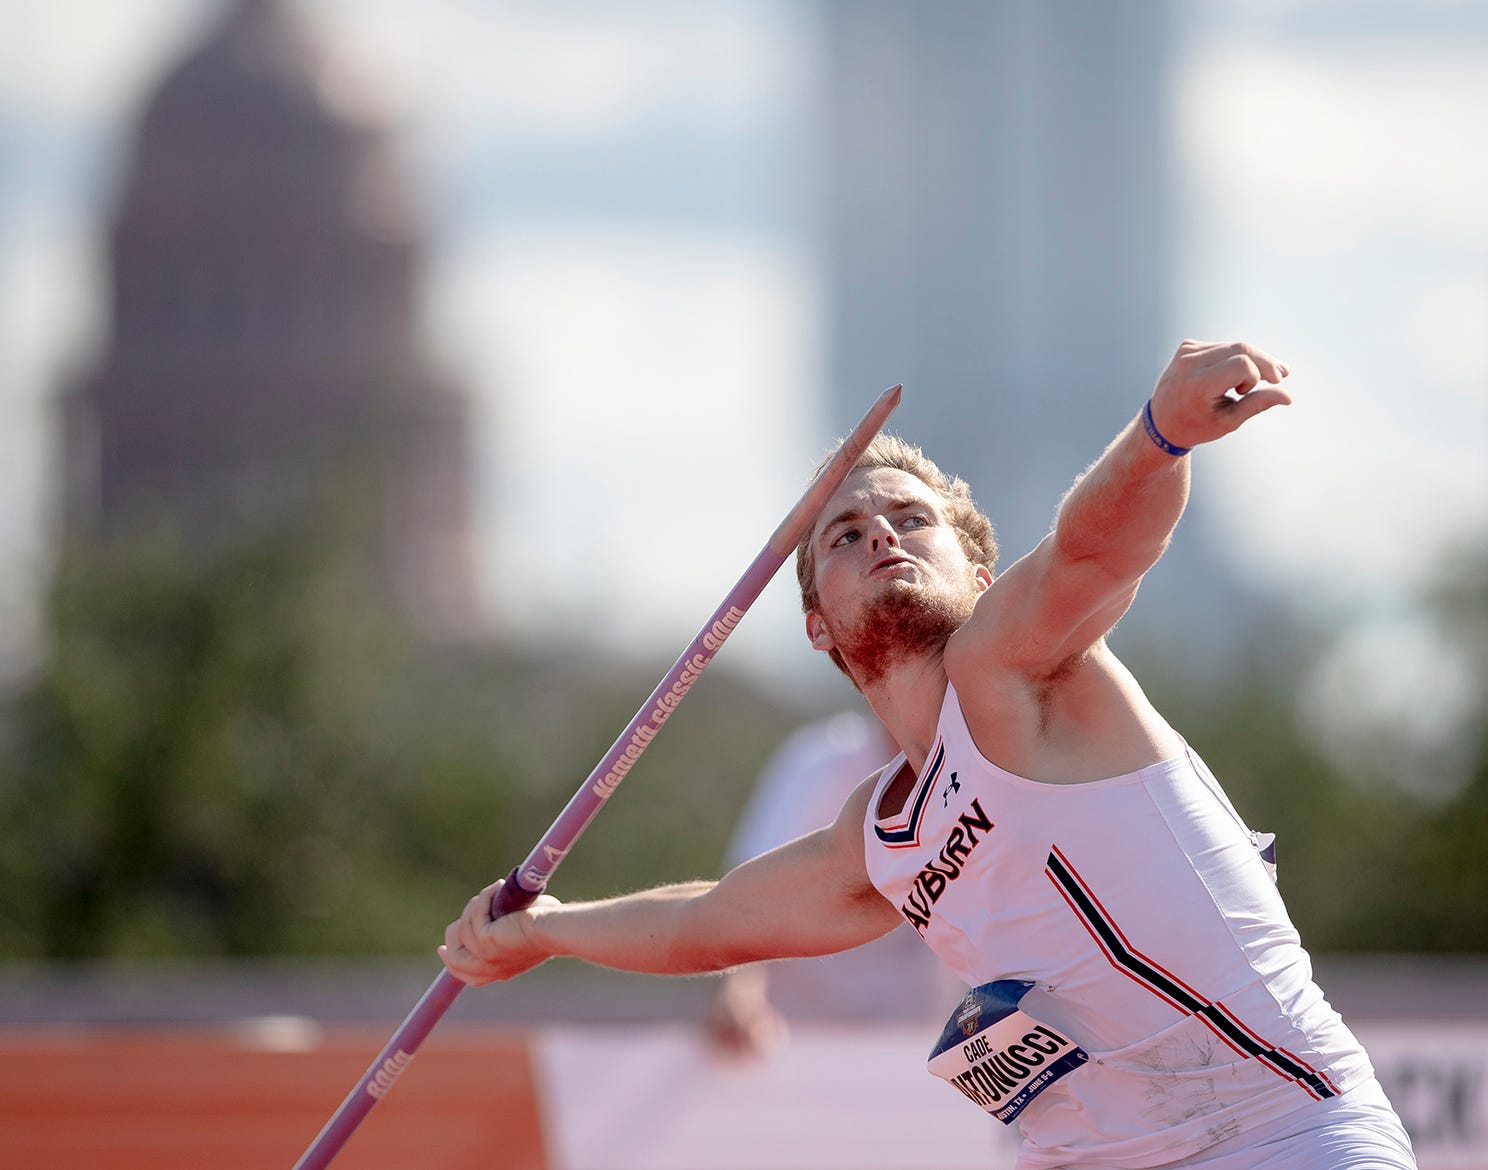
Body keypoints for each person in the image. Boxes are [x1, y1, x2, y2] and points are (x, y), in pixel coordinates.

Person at [442, 340, 1417, 1170]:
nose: (882, 536)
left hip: (1276, 1140)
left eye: (913, 520)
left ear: (981, 573)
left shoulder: (1016, 670)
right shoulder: (881, 836)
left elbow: (1093, 552)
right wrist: (544, 934)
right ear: (819, 627)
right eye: (846, 534)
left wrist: (1160, 436)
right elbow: (711, 922)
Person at [704, 709, 955, 1051]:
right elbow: (750, 897)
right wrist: (740, 993)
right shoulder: (822, 763)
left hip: (916, 1051)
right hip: (795, 1042)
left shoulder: (990, 769)